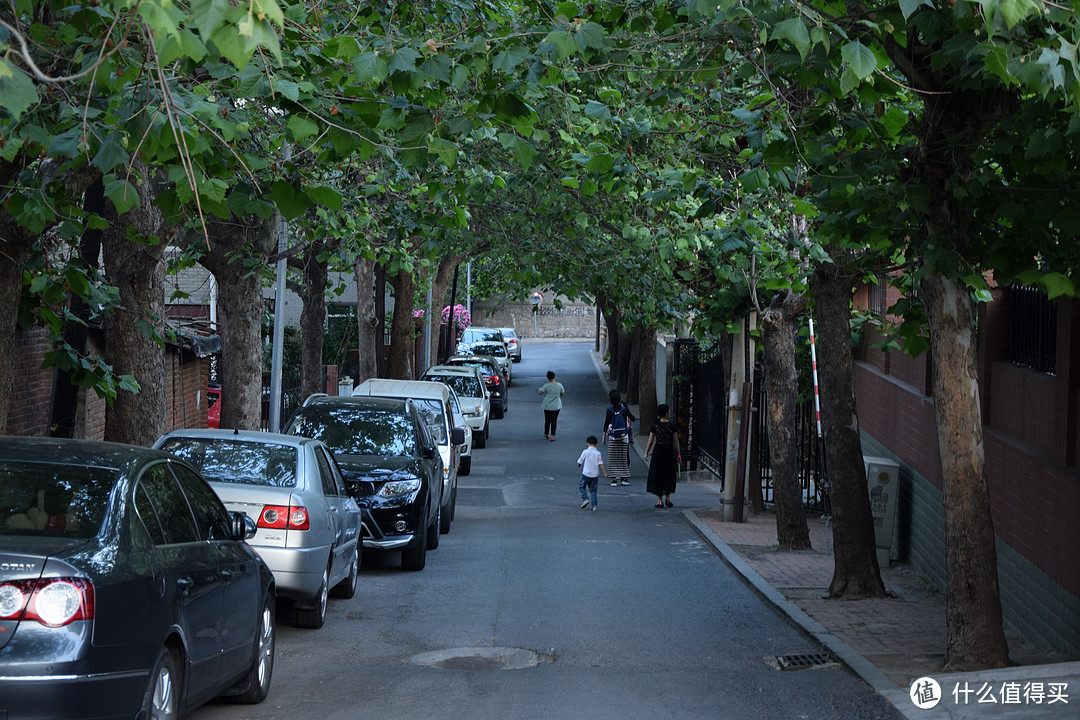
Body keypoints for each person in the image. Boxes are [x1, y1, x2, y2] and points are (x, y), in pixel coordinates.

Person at [644, 403, 681, 508]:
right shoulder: (672, 425)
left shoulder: (655, 425)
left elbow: (650, 440)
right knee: (668, 474)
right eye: (668, 411)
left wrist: (646, 452)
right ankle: (668, 498)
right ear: (666, 412)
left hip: (658, 451)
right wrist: (678, 454)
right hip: (669, 451)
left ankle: (659, 500)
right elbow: (675, 441)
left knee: (658, 474)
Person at [603, 389, 636, 486]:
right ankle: (624, 478)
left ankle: (614, 479)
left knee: (613, 457)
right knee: (623, 456)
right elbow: (633, 418)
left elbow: (606, 423)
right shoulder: (624, 409)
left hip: (613, 437)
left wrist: (604, 436)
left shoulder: (610, 410)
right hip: (624, 436)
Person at [576, 435, 607, 511]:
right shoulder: (598, 453)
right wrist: (605, 473)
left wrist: (579, 464)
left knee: (582, 487)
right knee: (593, 490)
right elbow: (600, 464)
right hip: (594, 475)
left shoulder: (585, 452)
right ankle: (594, 506)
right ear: (597, 444)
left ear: (587, 443)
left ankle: (585, 499)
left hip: (586, 474)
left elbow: (579, 461)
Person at [537, 370, 565, 441]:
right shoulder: (559, 385)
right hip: (556, 406)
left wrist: (539, 389)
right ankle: (552, 436)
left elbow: (540, 392)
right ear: (554, 376)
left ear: (548, 378)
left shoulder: (546, 386)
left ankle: (546, 433)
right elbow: (562, 394)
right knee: (554, 421)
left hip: (547, 406)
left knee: (547, 420)